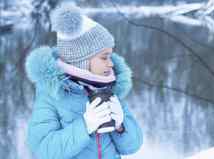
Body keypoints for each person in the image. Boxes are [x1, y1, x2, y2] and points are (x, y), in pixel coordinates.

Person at [25, 4, 143, 159]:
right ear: (82, 61)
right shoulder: (52, 94)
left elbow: (133, 146)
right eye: (104, 57)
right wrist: (85, 125)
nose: (111, 63)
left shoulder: (109, 88)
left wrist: (120, 126)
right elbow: (43, 150)